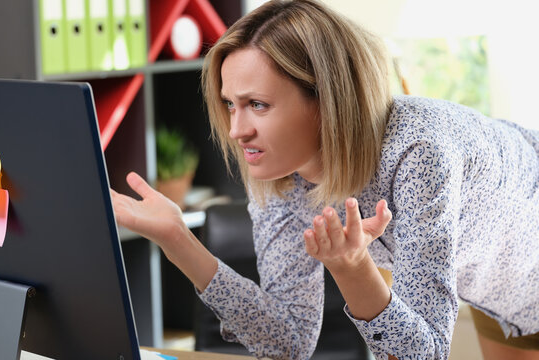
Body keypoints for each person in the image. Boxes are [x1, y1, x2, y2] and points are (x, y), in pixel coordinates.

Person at [110, 0, 539, 359]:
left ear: (325, 100)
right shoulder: (281, 176)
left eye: (257, 104)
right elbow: (287, 341)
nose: (237, 130)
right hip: (496, 288)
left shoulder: (418, 150)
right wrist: (178, 240)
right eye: (230, 104)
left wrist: (353, 271)